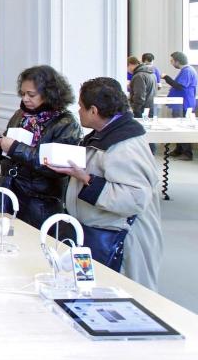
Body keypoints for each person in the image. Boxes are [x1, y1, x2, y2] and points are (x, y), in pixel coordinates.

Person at [45, 77, 163, 289]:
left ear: (94, 111)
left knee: (120, 296)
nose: (78, 111)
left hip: (120, 241)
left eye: (81, 107)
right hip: (98, 232)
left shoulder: (125, 146)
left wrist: (86, 178)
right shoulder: (105, 135)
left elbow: (133, 199)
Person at [0, 65, 83, 229]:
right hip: (10, 190)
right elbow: (7, 157)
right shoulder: (21, 115)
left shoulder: (66, 123)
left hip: (40, 200)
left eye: (31, 94)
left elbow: (55, 168)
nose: (25, 99)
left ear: (49, 93)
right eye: (23, 94)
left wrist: (14, 147)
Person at [163, 51, 197, 161]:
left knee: (183, 128)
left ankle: (187, 153)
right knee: (177, 126)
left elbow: (180, 86)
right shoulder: (186, 70)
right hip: (181, 103)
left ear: (177, 61)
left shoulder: (187, 71)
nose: (171, 63)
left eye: (172, 60)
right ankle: (179, 149)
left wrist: (166, 77)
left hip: (184, 103)